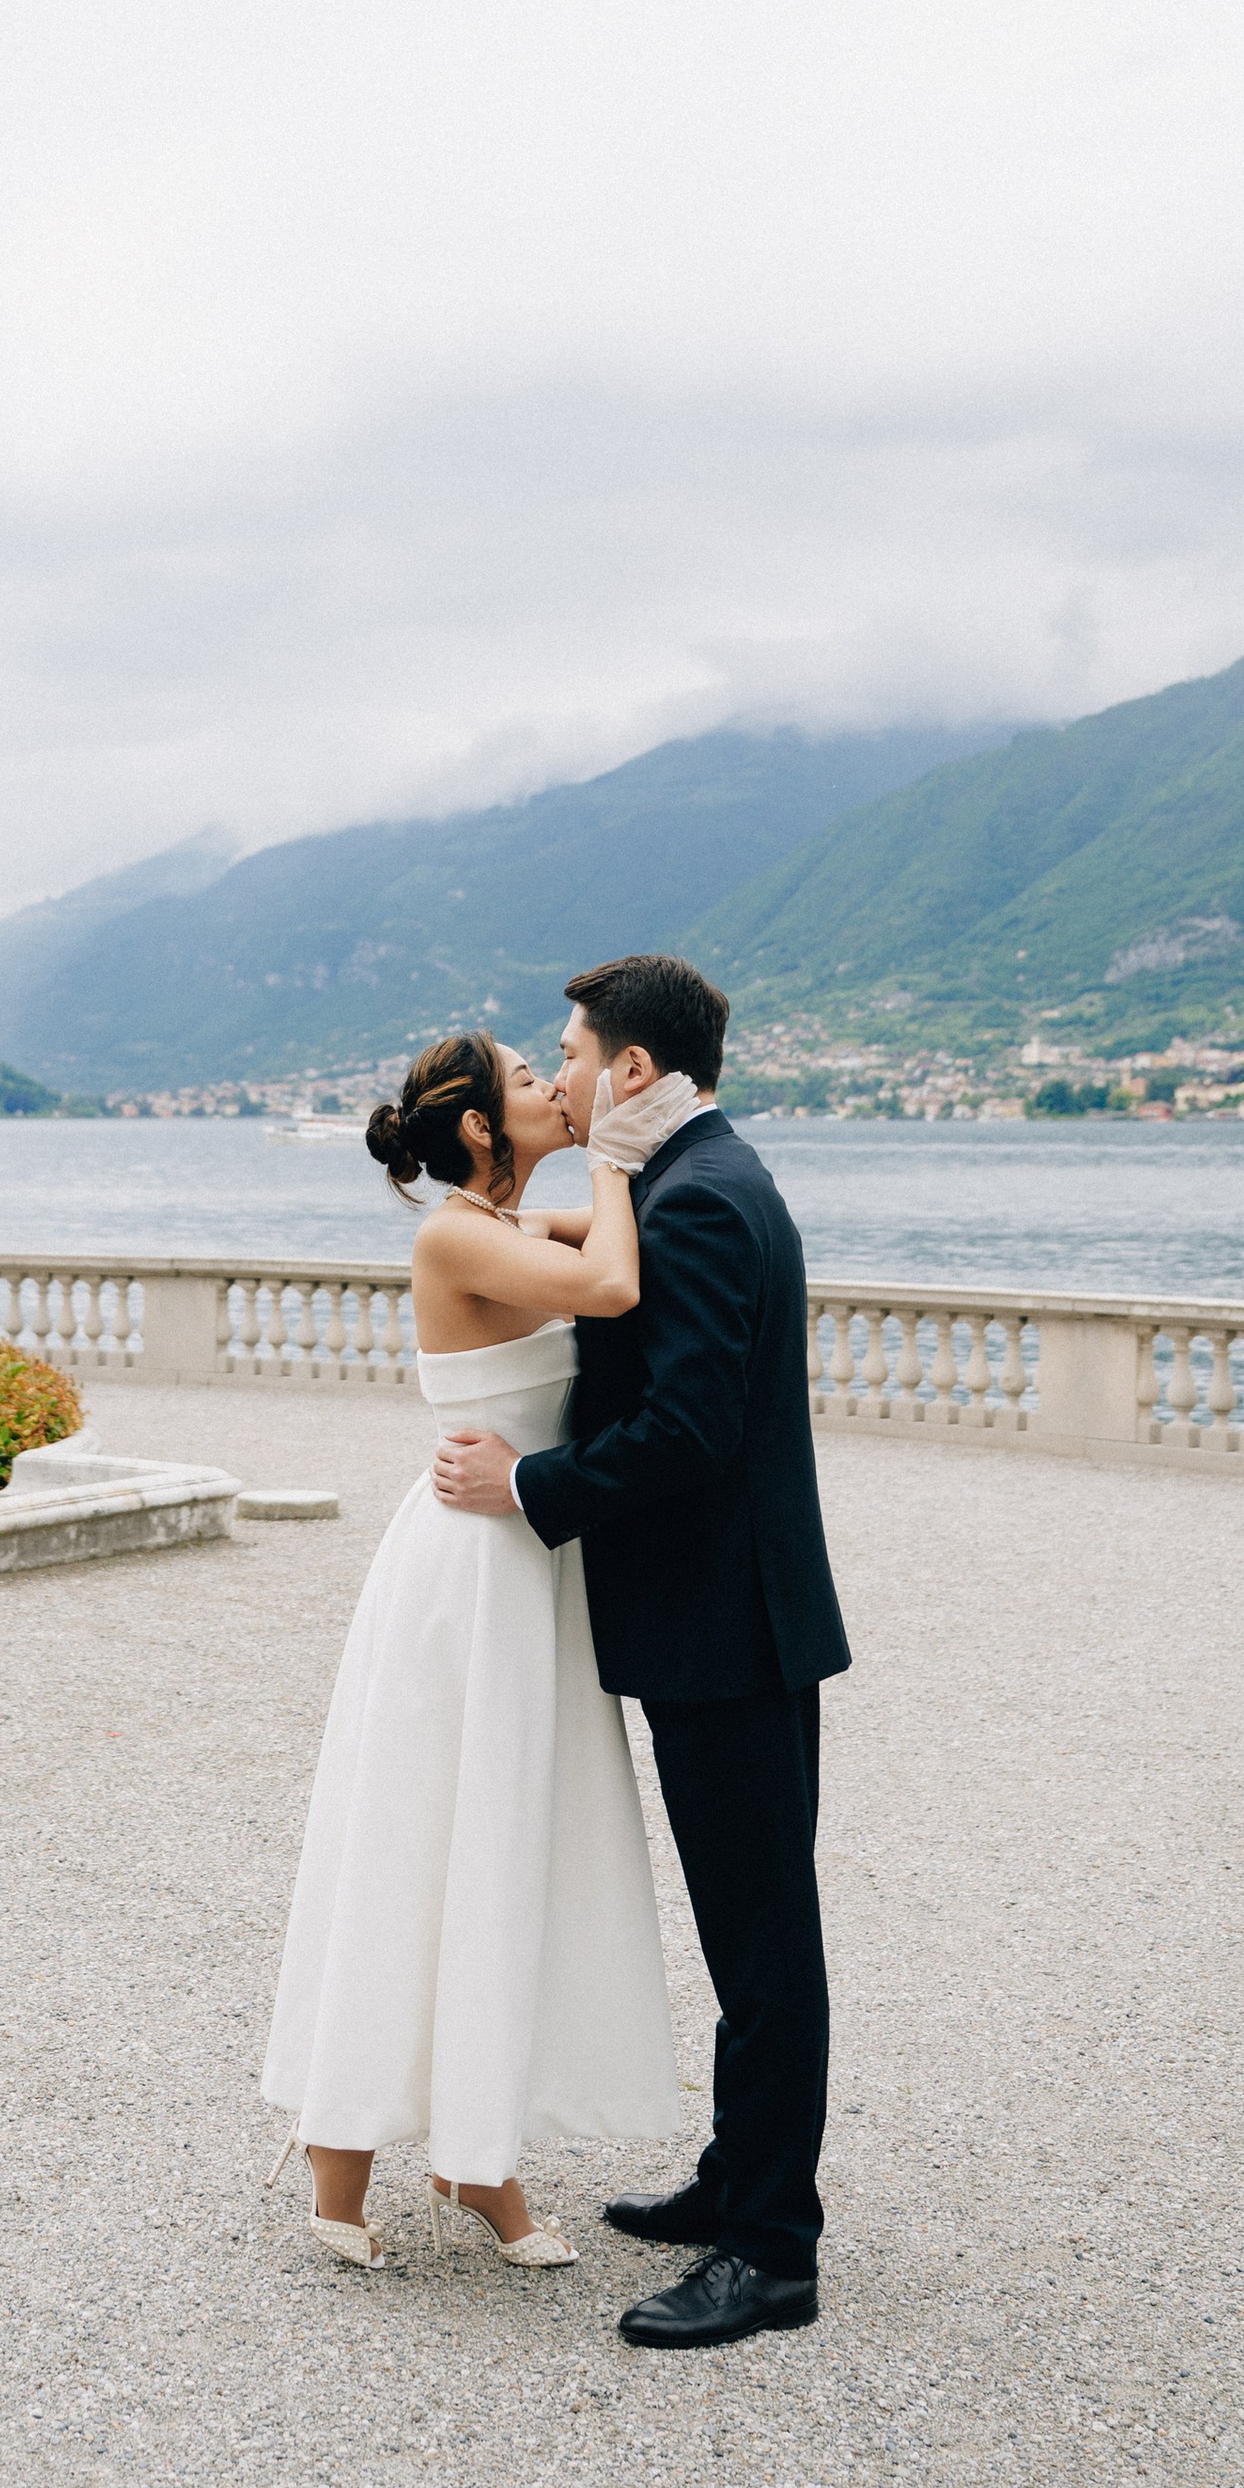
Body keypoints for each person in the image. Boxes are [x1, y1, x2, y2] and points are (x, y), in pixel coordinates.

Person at [432, 953, 850, 2351]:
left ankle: (771, 2252)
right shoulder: (689, 1176)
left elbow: (689, 1430)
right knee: (744, 1926)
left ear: (629, 1069)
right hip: (718, 1619)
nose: (555, 1070)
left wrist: (526, 1488)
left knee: (763, 1941)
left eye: (569, 1051)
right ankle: (737, 2176)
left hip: (729, 1627)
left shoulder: (703, 1198)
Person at [260, 1033, 686, 2271]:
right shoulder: (454, 1236)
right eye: (529, 1078)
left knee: (505, 1840)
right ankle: (341, 2153)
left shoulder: (507, 1222)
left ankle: (476, 2154)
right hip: (466, 1568)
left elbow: (628, 1241)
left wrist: (624, 1162)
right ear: (482, 1128)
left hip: (526, 1556)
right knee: (420, 1836)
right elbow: (611, 1285)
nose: (555, 1083)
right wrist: (613, 1151)